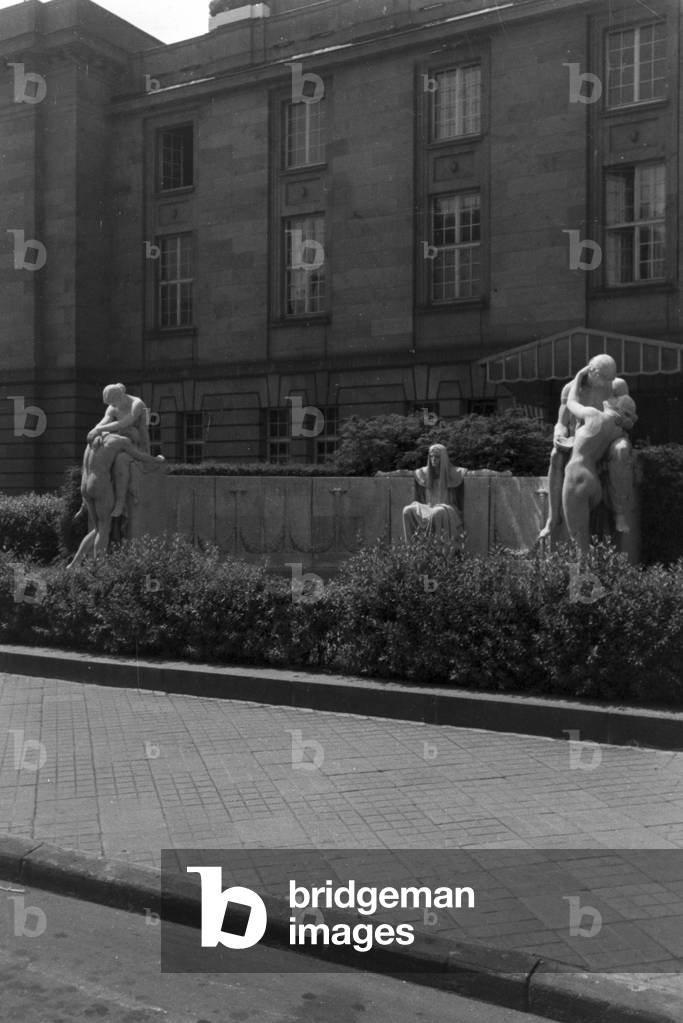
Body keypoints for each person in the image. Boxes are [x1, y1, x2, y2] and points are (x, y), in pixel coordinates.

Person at [538, 354, 634, 540]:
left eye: (611, 378)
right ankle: (553, 517)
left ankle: (620, 512)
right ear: (592, 371)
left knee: (621, 450)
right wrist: (558, 435)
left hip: (613, 438)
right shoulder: (570, 389)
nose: (609, 382)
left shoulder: (618, 386)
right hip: (583, 439)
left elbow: (630, 419)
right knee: (555, 455)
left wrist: (625, 420)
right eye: (605, 377)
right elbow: (561, 423)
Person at [561, 366, 638, 558]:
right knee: (591, 537)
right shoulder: (618, 431)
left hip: (577, 476)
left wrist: (578, 376)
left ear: (613, 407)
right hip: (594, 480)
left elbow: (571, 402)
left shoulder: (593, 415)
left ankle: (582, 581)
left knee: (578, 543)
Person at [67, 434, 164, 569]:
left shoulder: (94, 441)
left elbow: (84, 467)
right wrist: (157, 459)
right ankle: (99, 568)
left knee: (97, 529)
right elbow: (140, 456)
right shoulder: (121, 440)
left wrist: (83, 502)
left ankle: (74, 563)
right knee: (104, 529)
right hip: (99, 483)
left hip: (85, 485)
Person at [86, 383, 151, 518]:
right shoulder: (113, 406)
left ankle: (120, 503)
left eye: (113, 403)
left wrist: (99, 430)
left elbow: (124, 423)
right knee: (100, 451)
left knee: (121, 460)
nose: (112, 406)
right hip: (121, 441)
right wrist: (97, 431)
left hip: (137, 444)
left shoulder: (137, 404)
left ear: (120, 397)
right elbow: (104, 421)